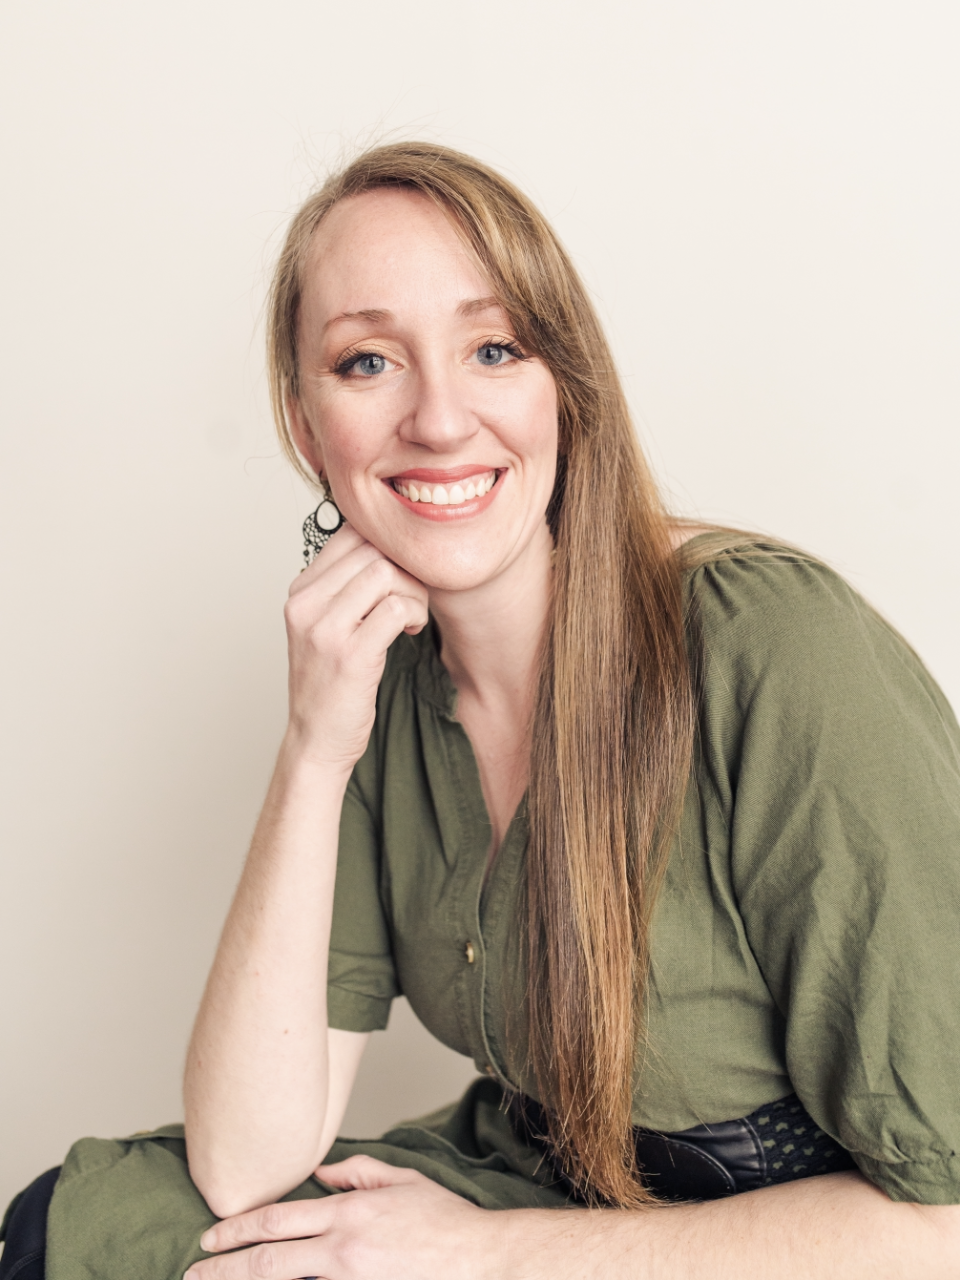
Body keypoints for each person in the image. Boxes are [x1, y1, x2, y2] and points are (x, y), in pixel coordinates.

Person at [3, 141, 960, 1279]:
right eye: (367, 362)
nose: (441, 419)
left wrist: (491, 1254)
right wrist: (315, 745)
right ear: (309, 428)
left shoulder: (774, 645)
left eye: (494, 348)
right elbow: (245, 1155)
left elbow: (944, 1222)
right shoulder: (379, 679)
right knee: (84, 1226)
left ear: (566, 383)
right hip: (530, 1179)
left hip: (772, 1237)